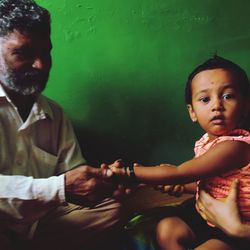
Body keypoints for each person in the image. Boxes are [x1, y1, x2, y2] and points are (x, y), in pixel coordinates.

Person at [0, 1, 127, 249]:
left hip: (39, 226)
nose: (42, 64)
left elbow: (75, 180)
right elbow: (63, 187)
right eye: (23, 53)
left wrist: (100, 185)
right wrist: (58, 188)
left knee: (111, 209)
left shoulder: (55, 115)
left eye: (46, 52)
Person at [110, 55, 250, 250]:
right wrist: (179, 185)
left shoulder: (236, 147)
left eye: (228, 96)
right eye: (205, 99)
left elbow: (181, 172)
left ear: (245, 106)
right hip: (205, 212)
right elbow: (203, 182)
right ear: (192, 112)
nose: (216, 105)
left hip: (234, 223)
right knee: (167, 229)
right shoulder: (205, 142)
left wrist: (130, 172)